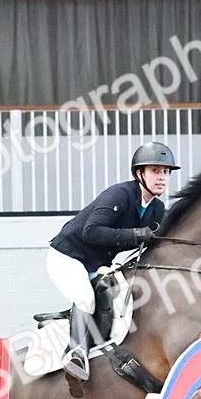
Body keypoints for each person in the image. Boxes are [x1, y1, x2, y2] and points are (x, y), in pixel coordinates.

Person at [47, 141, 179, 384]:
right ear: (139, 173)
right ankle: (76, 354)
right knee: (85, 298)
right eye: (155, 171)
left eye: (166, 172)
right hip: (67, 257)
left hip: (96, 264)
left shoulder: (157, 209)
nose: (162, 178)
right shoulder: (120, 194)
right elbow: (91, 232)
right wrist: (138, 235)